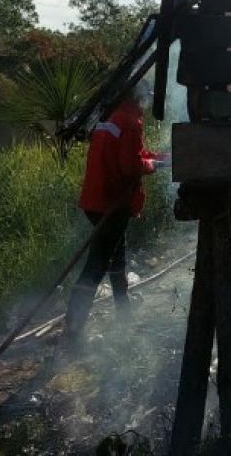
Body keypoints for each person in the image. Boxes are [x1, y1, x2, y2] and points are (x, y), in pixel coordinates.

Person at [63, 87, 165, 346]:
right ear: (136, 97)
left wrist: (161, 158)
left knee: (116, 256)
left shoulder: (110, 118)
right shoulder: (130, 121)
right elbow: (130, 166)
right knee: (96, 265)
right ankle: (73, 332)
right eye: (145, 98)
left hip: (95, 200)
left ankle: (124, 313)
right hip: (112, 204)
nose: (147, 102)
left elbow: (131, 155)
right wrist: (153, 165)